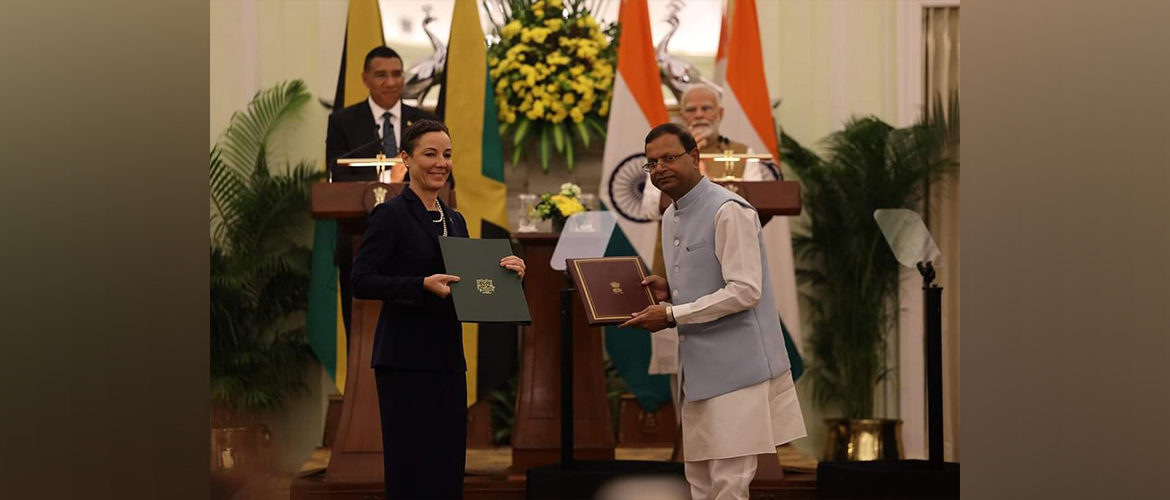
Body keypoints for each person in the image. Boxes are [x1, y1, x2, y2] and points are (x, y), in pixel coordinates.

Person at [621, 123, 805, 500]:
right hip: (698, 369)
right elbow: (710, 279)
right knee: (700, 482)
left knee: (729, 484)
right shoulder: (672, 214)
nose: (659, 169)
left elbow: (745, 291)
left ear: (694, 157)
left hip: (738, 368)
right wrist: (670, 291)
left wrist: (671, 314)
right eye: (651, 163)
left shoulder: (729, 209)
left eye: (669, 158)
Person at [351, 120, 526, 500]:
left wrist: (510, 275)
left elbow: (466, 280)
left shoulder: (455, 218)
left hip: (447, 360)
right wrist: (419, 285)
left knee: (446, 468)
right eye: (430, 153)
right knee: (410, 468)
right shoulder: (390, 214)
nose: (440, 163)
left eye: (446, 154)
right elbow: (361, 280)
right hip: (404, 361)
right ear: (406, 159)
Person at [327, 45, 442, 338]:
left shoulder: (424, 122)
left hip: (417, 245)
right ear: (365, 78)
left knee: (413, 334)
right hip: (359, 237)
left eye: (396, 74)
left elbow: (436, 172)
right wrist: (389, 178)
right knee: (360, 333)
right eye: (381, 75)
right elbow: (338, 175)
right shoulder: (343, 121)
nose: (390, 82)